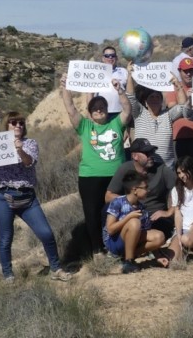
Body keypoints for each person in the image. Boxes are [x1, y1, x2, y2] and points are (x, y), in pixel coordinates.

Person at [0, 111, 70, 282]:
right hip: (2, 196)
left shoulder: (30, 143)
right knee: (6, 238)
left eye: (21, 123)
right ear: (7, 125)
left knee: (46, 233)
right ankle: (8, 275)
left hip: (27, 198)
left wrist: (20, 150)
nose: (18, 126)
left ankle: (56, 268)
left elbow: (29, 162)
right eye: (13, 123)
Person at [61, 74, 131, 256]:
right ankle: (97, 250)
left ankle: (120, 248)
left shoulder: (116, 124)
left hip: (116, 178)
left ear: (107, 111)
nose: (99, 110)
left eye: (102, 108)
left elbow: (127, 110)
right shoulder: (85, 127)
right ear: (90, 113)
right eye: (95, 108)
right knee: (92, 215)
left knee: (119, 212)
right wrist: (65, 87)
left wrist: (120, 91)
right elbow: (70, 109)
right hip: (90, 178)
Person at [105, 138, 177, 246]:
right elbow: (108, 196)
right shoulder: (125, 169)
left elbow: (181, 189)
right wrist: (129, 204)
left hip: (155, 217)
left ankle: (144, 248)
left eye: (152, 152)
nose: (151, 155)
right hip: (130, 216)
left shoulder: (161, 169)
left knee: (162, 227)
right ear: (135, 156)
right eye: (147, 153)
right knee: (107, 212)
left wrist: (169, 211)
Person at [104, 171, 166, 274]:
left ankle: (127, 256)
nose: (148, 190)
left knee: (159, 236)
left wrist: (158, 257)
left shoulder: (142, 208)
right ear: (135, 190)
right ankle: (129, 262)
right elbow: (110, 230)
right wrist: (128, 217)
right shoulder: (117, 202)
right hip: (115, 242)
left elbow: (146, 232)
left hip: (133, 242)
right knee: (134, 223)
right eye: (145, 187)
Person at [126, 65, 187, 167]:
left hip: (167, 166)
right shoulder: (139, 113)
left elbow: (182, 106)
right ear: (145, 102)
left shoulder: (167, 114)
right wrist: (130, 75)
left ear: (161, 101)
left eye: (158, 97)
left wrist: (178, 86)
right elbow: (130, 97)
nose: (155, 99)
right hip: (144, 165)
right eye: (151, 97)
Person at [96, 46, 130, 119]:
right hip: (101, 112)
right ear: (103, 58)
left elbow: (130, 91)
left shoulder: (124, 71)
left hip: (121, 112)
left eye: (112, 56)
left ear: (116, 58)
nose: (110, 58)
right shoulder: (96, 72)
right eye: (107, 56)